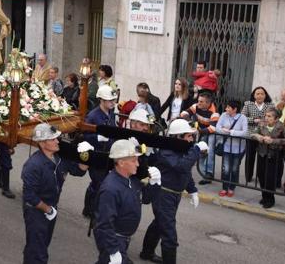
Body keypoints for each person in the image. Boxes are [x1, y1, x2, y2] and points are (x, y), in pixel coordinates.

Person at [139, 119, 208, 264]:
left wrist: (192, 190)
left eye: (191, 136)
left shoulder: (182, 149)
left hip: (173, 194)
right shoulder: (166, 151)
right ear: (177, 136)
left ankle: (146, 252)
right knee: (169, 234)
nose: (191, 139)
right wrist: (195, 150)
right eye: (188, 136)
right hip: (163, 194)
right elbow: (182, 167)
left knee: (159, 224)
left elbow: (185, 173)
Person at [21, 123, 89, 264]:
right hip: (36, 211)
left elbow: (79, 170)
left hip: (51, 208)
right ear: (42, 143)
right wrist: (47, 209)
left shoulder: (59, 159)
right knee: (38, 252)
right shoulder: (33, 165)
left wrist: (87, 156)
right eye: (53, 139)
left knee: (41, 245)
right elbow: (29, 195)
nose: (57, 141)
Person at [94, 139, 161, 264]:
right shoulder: (111, 189)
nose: (137, 164)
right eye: (133, 160)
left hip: (123, 240)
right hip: (113, 240)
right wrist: (113, 251)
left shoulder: (132, 181)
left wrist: (155, 183)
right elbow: (104, 225)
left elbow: (145, 199)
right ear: (121, 163)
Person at [82, 85, 118, 218]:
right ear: (101, 100)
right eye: (110, 100)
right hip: (96, 154)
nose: (113, 103)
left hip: (108, 153)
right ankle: (91, 209)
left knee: (99, 183)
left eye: (113, 100)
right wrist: (97, 137)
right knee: (98, 183)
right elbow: (84, 136)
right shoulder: (92, 116)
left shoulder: (111, 113)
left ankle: (90, 208)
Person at [250, 107, 285, 208]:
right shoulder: (261, 124)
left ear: (276, 119)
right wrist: (258, 137)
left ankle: (270, 199)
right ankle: (264, 196)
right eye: (266, 116)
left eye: (269, 116)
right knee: (261, 176)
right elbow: (252, 133)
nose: (266, 118)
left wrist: (273, 141)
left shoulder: (282, 127)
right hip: (262, 154)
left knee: (270, 179)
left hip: (274, 156)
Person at [180, 92, 219, 184]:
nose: (198, 103)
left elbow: (213, 128)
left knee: (210, 151)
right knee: (201, 154)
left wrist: (199, 131)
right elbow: (183, 113)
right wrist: (191, 122)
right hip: (201, 132)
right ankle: (205, 176)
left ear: (208, 103)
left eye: (201, 102)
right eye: (198, 101)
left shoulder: (214, 112)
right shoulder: (196, 106)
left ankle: (209, 173)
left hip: (211, 133)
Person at [241, 86, 274, 183]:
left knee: (262, 157)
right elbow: (242, 118)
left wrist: (265, 121)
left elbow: (273, 118)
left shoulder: (270, 105)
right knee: (250, 157)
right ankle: (248, 176)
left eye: (262, 94)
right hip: (250, 134)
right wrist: (254, 120)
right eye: (257, 93)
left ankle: (261, 177)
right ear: (254, 95)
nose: (260, 95)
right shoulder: (248, 104)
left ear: (265, 95)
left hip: (264, 135)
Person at [215, 100, 248, 197]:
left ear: (235, 109)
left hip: (238, 148)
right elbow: (217, 128)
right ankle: (224, 188)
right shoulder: (224, 115)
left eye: (228, 107)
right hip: (226, 147)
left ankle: (232, 187)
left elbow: (244, 132)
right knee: (226, 168)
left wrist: (230, 131)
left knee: (234, 169)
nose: (226, 109)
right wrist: (224, 131)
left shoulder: (242, 118)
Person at [276, 87, 285, 193]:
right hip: (277, 139)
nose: (284, 101)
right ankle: (276, 182)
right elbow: (272, 116)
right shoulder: (280, 105)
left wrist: (284, 127)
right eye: (283, 98)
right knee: (277, 162)